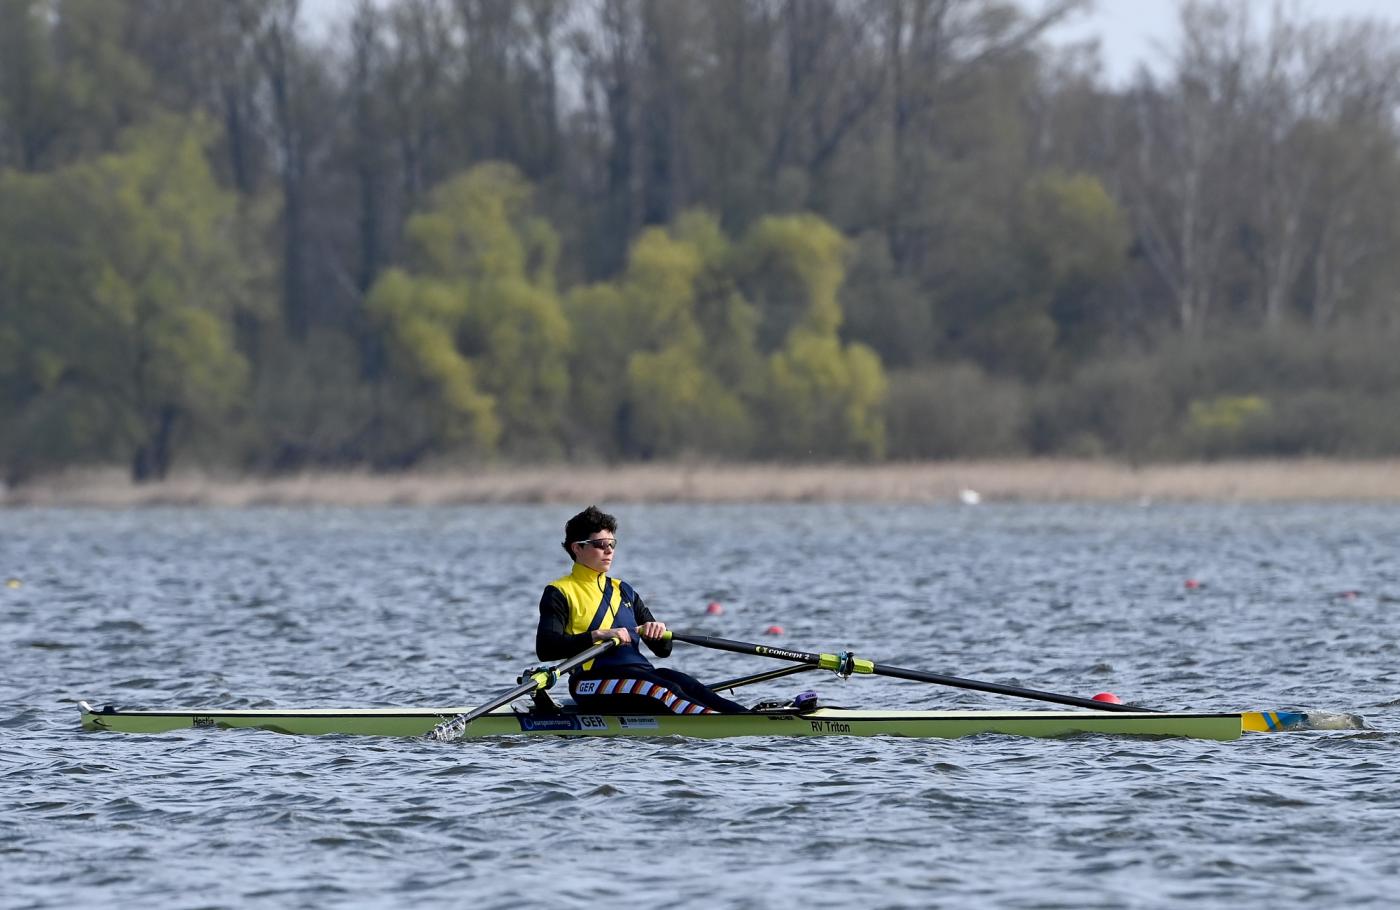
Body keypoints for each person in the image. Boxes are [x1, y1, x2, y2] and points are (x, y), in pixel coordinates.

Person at [536, 505, 748, 715]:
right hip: (590, 683)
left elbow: (663, 651)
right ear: (577, 548)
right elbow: (546, 648)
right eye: (600, 544)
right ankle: (717, 722)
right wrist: (598, 635)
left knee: (688, 684)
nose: (609, 550)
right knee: (663, 690)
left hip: (639, 674)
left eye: (612, 544)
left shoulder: (623, 590)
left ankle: (748, 718)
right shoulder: (560, 592)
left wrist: (657, 631)